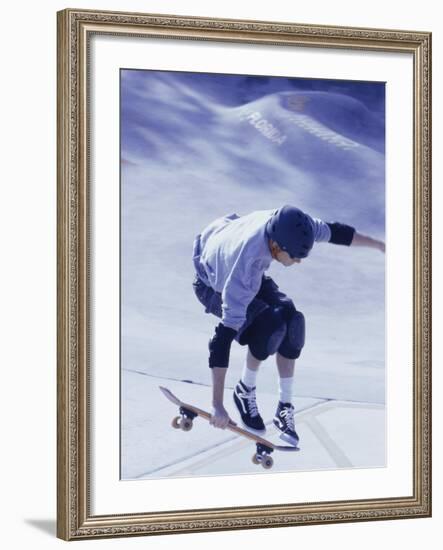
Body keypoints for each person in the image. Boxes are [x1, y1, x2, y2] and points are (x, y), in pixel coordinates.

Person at [192, 205, 385, 446]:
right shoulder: (244, 270)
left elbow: (337, 233)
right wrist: (217, 405)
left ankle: (285, 405)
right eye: (294, 257)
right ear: (276, 246)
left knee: (293, 322)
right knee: (268, 327)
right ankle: (244, 390)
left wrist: (380, 245)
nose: (297, 262)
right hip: (211, 283)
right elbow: (221, 341)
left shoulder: (295, 225)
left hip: (229, 247)